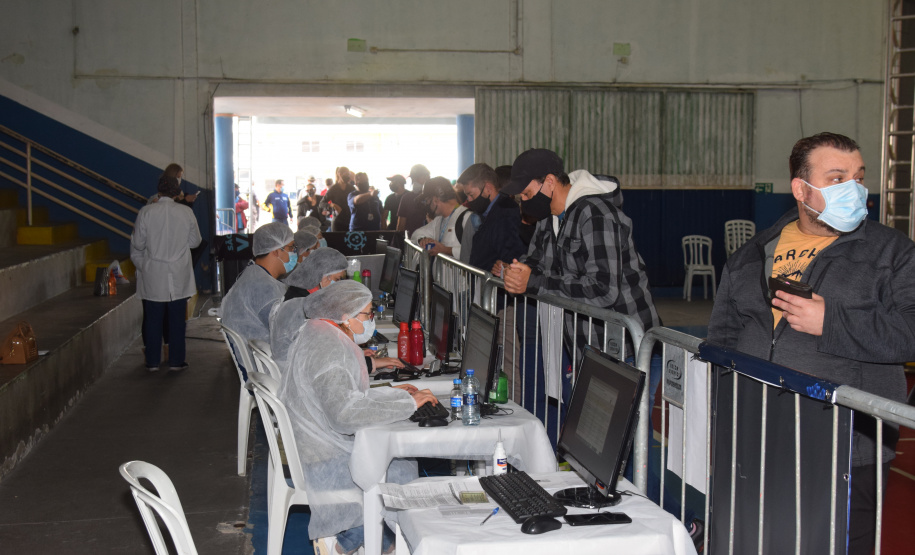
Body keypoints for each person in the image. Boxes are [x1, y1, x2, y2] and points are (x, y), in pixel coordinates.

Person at [708, 132, 915, 554]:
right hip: (759, 435)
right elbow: (722, 339)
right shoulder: (753, 253)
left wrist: (831, 322)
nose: (855, 190)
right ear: (801, 189)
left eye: (858, 177)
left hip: (848, 447)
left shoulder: (892, 253)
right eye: (837, 178)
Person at [279, 281, 437, 554]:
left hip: (314, 439)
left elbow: (342, 395)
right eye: (366, 315)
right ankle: (345, 542)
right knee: (399, 469)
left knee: (395, 462)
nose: (371, 320)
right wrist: (406, 403)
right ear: (345, 317)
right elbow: (344, 414)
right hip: (325, 452)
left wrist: (391, 395)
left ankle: (382, 543)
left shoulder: (321, 331)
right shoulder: (330, 347)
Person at [130, 174, 202, 372]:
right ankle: (176, 361)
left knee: (153, 319)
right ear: (176, 192)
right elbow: (195, 241)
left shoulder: (147, 212)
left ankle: (152, 361)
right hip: (179, 272)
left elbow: (138, 243)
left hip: (154, 273)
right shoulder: (186, 212)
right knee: (177, 320)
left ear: (159, 190)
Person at [220, 222, 295, 353]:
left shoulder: (254, 274)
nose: (294, 253)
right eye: (291, 248)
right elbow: (285, 332)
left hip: (256, 354)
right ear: (277, 251)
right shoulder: (264, 287)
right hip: (265, 362)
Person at [458, 163, 527, 271]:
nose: (469, 200)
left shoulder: (506, 212)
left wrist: (498, 269)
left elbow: (511, 257)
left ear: (488, 188)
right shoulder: (488, 212)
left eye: (471, 195)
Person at [411, 177, 477, 259]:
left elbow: (477, 252)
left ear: (435, 200)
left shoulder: (468, 218)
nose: (427, 204)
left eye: (427, 201)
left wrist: (446, 250)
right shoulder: (439, 220)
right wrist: (422, 240)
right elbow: (416, 234)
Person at [396, 164, 431, 235]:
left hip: (429, 240)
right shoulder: (406, 197)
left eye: (418, 177)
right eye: (413, 178)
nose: (414, 180)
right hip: (410, 240)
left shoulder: (433, 197)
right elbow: (400, 225)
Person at [326, 167, 356, 232]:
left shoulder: (351, 188)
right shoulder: (333, 189)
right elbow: (322, 203)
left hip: (350, 220)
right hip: (337, 221)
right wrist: (332, 205)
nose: (347, 177)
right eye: (346, 175)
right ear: (339, 174)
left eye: (348, 175)